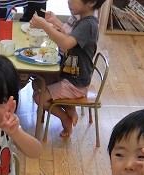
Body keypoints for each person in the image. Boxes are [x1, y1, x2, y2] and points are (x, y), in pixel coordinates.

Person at [30, 0, 106, 138]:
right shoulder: (84, 20)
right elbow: (69, 35)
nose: (68, 1)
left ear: (91, 2)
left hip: (75, 83)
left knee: (38, 97)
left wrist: (44, 25)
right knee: (36, 82)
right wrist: (55, 22)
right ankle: (70, 108)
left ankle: (65, 118)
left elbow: (65, 43)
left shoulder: (88, 24)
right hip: (69, 74)